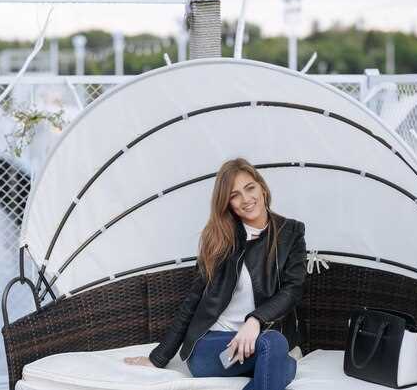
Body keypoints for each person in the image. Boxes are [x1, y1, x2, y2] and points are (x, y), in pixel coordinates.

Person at [124, 157, 307, 390]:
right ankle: (280, 365)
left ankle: (276, 364)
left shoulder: (291, 232)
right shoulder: (219, 238)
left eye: (250, 188)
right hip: (211, 347)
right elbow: (192, 301)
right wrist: (157, 358)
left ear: (262, 187)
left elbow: (293, 289)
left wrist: (255, 320)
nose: (246, 199)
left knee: (275, 347)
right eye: (234, 195)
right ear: (227, 203)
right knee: (280, 359)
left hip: (259, 341)